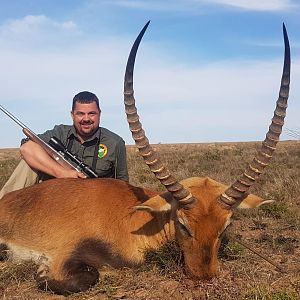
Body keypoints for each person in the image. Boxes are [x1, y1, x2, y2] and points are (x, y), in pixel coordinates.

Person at [0, 91, 128, 199]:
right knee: (28, 164)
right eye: (80, 114)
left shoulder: (115, 143)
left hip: (94, 202)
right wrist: (62, 173)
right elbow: (27, 148)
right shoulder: (59, 133)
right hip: (56, 197)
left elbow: (124, 186)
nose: (86, 119)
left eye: (91, 113)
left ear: (99, 114)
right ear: (72, 115)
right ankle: (3, 210)